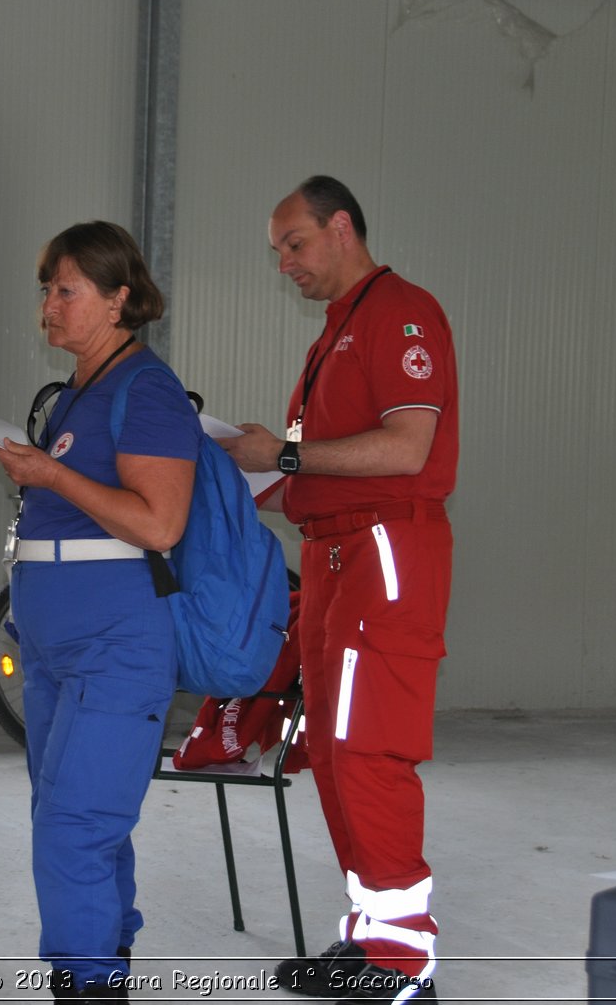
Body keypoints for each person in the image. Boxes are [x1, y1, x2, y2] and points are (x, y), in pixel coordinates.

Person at [218, 177, 457, 1003]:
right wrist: (239, 473)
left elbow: (405, 448)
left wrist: (280, 458)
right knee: (331, 750)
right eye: (277, 249)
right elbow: (316, 475)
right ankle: (371, 933)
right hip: (328, 557)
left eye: (295, 242)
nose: (284, 261)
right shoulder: (335, 335)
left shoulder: (398, 313)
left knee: (370, 748)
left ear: (343, 226)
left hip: (382, 555)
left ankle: (405, 963)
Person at [0, 221, 203, 1000]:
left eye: (66, 289)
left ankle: (87, 983)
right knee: (78, 818)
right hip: (53, 649)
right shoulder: (80, 390)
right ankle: (104, 958)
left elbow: (158, 523)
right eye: (47, 288)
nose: (49, 303)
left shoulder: (145, 389)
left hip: (115, 647)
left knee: (72, 829)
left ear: (118, 300)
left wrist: (51, 474)